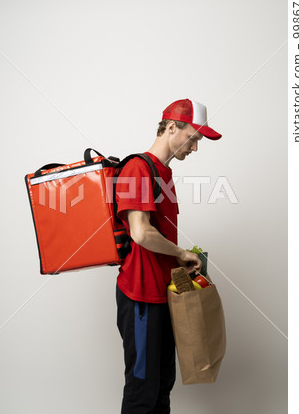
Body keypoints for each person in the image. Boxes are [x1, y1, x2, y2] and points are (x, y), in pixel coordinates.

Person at [115, 98, 222, 414]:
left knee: (163, 386)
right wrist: (181, 251)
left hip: (164, 297)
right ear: (172, 127)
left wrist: (181, 260)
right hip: (141, 299)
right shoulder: (138, 168)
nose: (195, 148)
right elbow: (141, 233)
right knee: (142, 390)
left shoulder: (165, 174)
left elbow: (160, 234)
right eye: (194, 138)